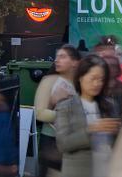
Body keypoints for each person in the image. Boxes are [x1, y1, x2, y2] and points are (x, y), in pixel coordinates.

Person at [55, 55, 120, 177]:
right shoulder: (66, 107)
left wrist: (117, 131)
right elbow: (63, 144)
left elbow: (117, 143)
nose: (97, 84)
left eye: (101, 79)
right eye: (93, 78)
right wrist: (91, 129)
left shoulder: (110, 105)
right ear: (80, 77)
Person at [34, 44, 81, 177]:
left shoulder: (81, 84)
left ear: (74, 62)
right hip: (51, 140)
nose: (57, 60)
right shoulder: (49, 81)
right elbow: (40, 113)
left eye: (62, 56)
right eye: (57, 57)